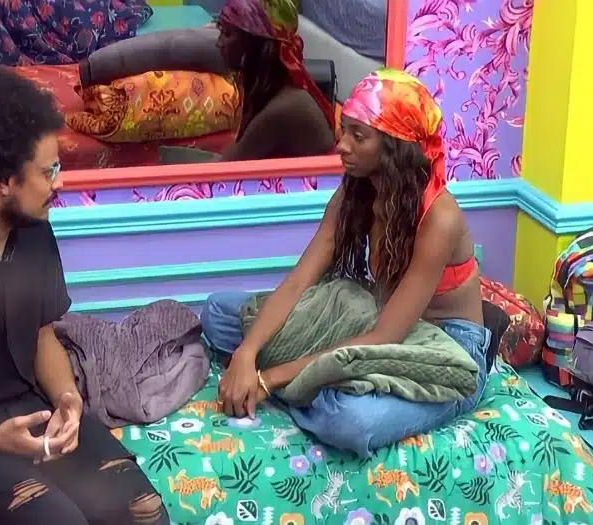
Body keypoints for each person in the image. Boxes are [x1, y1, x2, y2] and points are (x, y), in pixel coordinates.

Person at [0, 67, 168, 525]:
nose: (59, 182)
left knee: (144, 512)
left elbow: (44, 338)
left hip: (31, 413)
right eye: (48, 171)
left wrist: (68, 399)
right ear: (3, 179)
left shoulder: (35, 235)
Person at [200, 69, 490, 458]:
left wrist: (267, 379)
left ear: (394, 146)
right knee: (219, 311)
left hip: (444, 348)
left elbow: (386, 335)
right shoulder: (356, 193)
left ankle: (309, 386)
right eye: (344, 131)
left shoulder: (439, 217)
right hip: (375, 318)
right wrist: (246, 353)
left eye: (358, 136)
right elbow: (300, 281)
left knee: (350, 422)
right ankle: (312, 383)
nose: (341, 146)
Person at [216, 0, 336, 161]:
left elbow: (224, 168)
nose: (219, 43)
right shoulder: (276, 93)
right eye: (221, 30)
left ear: (255, 45)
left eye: (227, 33)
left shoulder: (284, 109)